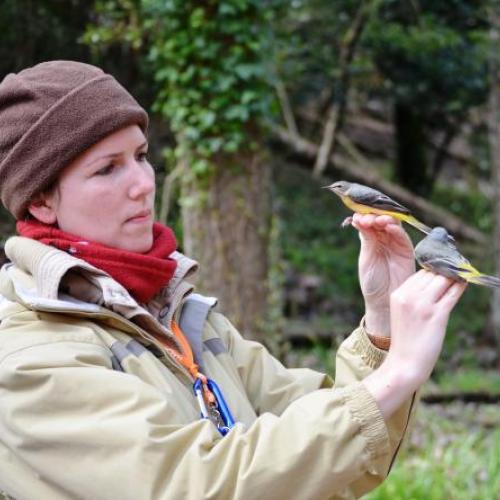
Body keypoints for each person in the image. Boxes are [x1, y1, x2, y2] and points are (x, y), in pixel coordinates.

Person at [0, 61, 466, 500]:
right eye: (107, 168)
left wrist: (382, 326)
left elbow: (335, 457)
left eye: (141, 155)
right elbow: (197, 485)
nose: (143, 183)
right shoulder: (29, 361)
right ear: (41, 202)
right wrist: (399, 374)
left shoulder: (182, 318)